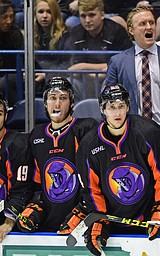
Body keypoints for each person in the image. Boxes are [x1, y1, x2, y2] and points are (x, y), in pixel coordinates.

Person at [75, 84, 160, 255]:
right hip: (113, 223)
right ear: (103, 109)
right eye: (111, 107)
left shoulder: (148, 132)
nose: (117, 113)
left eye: (121, 106)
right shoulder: (88, 144)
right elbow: (91, 189)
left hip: (148, 220)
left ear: (128, 107)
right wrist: (99, 218)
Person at [105, 6, 160, 187]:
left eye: (151, 23)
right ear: (131, 30)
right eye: (142, 24)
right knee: (136, 192)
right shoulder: (118, 62)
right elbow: (107, 102)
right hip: (130, 137)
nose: (149, 27)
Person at [15, 77, 98, 233]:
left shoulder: (86, 128)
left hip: (81, 218)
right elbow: (38, 182)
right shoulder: (37, 134)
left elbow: (96, 178)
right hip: (49, 218)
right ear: (45, 103)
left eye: (63, 98)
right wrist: (35, 205)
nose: (57, 104)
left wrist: (85, 208)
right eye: (52, 98)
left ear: (72, 103)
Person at [60, 0, 133, 102]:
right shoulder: (75, 33)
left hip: (112, 82)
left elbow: (124, 64)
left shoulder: (117, 31)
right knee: (67, 84)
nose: (87, 20)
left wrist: (85, 67)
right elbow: (73, 69)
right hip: (85, 82)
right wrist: (102, 69)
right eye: (83, 16)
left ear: (102, 15)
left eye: (92, 15)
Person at [0, 93, 31, 242]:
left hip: (4, 218)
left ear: (6, 116)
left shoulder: (16, 144)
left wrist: (8, 221)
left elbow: (22, 190)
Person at [34, 0, 70, 94]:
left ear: (55, 14)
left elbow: (67, 65)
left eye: (49, 12)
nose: (44, 16)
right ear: (35, 14)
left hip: (58, 77)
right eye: (41, 12)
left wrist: (46, 75)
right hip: (37, 76)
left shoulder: (66, 35)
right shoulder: (31, 36)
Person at [0, 0, 24, 106]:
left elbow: (14, 65)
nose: (9, 21)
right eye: (4, 17)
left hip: (12, 75)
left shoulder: (15, 34)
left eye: (11, 16)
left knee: (4, 83)